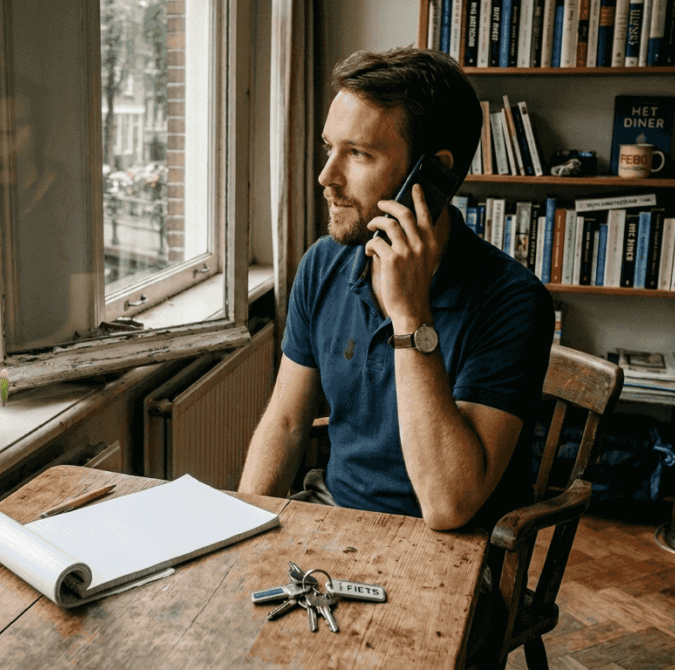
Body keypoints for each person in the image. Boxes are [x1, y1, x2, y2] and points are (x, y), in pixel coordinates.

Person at [237, 47, 554, 531]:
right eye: (329, 148)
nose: (326, 176)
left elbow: (449, 504)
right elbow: (285, 423)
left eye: (358, 154)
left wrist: (410, 316)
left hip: (449, 548)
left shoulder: (513, 302)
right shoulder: (323, 263)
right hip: (334, 515)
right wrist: (241, 534)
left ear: (432, 174)